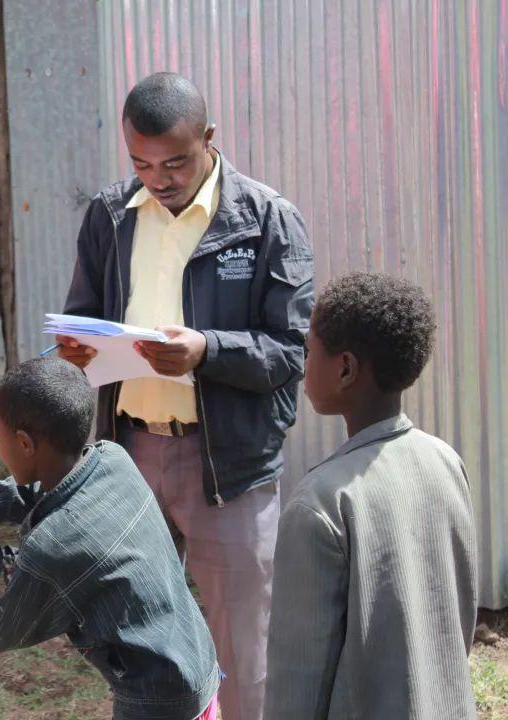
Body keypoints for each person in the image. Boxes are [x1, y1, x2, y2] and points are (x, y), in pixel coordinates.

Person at [59, 72, 314, 720]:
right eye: (141, 163)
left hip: (226, 467)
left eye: (174, 161)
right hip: (131, 456)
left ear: (209, 140)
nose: (159, 177)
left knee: (243, 646)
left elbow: (291, 352)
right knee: (138, 634)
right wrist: (81, 352)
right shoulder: (112, 214)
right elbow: (84, 312)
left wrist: (206, 350)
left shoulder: (266, 221)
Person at [0, 357, 221, 720]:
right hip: (196, 658)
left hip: (158, 699)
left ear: (25, 444)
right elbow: (35, 491)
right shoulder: (112, 460)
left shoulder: (54, 549)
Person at [265, 273, 478, 719]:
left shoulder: (319, 504)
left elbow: (297, 683)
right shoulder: (445, 461)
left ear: (345, 369)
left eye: (310, 351)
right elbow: (458, 616)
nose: (304, 364)